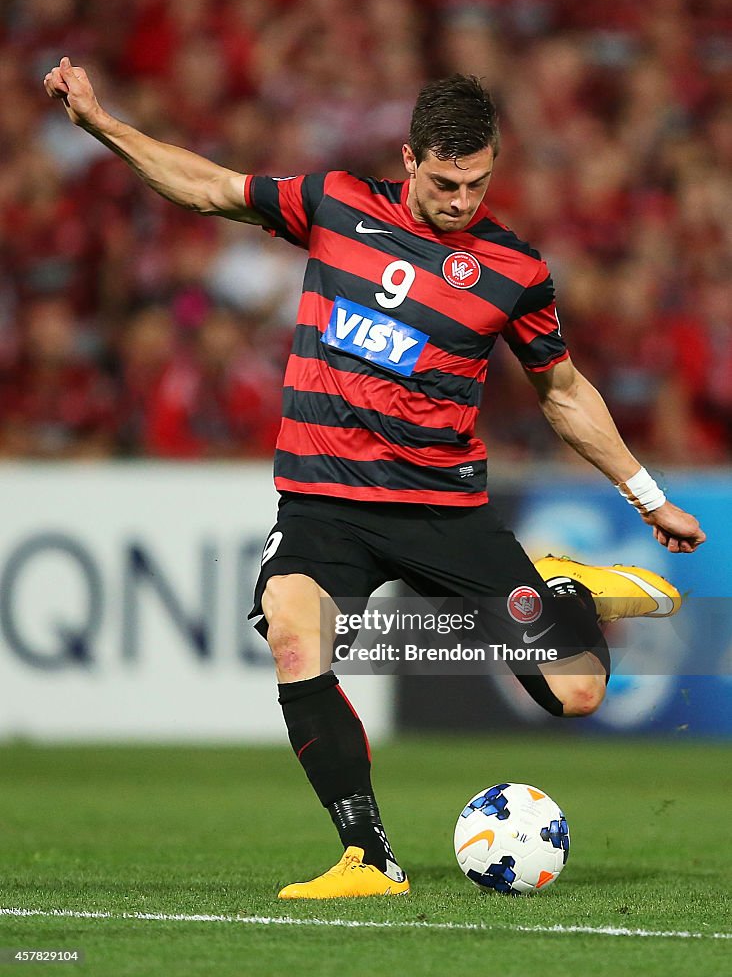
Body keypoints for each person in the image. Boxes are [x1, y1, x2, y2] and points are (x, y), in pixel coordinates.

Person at [45, 60, 705, 899]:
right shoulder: (336, 204)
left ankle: (558, 590)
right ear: (408, 159)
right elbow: (207, 186)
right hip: (326, 503)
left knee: (577, 693)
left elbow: (563, 394)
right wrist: (102, 122)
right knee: (294, 630)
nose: (463, 200)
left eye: (479, 181)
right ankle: (369, 857)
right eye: (444, 182)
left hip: (442, 507)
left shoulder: (515, 271)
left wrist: (647, 496)